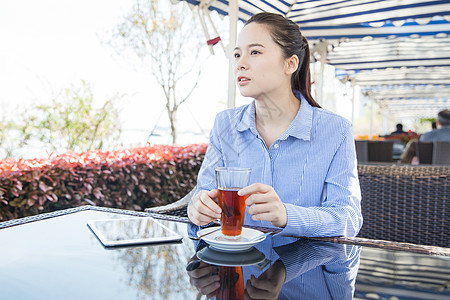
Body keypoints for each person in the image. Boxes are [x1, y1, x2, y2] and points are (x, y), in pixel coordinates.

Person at [187, 12, 362, 238]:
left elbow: (347, 218)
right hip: (235, 265)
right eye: (237, 54)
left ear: (290, 64)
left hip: (305, 266)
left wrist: (287, 215)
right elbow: (204, 194)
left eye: (255, 52)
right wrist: (198, 209)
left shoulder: (336, 130)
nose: (240, 64)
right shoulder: (225, 125)